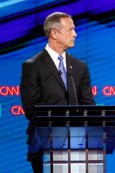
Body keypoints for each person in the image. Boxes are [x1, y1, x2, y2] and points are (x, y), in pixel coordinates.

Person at [20, 12, 95, 173]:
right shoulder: (32, 66)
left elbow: (88, 105)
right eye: (70, 30)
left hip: (76, 147)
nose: (75, 34)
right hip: (46, 145)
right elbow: (31, 110)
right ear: (54, 33)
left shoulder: (80, 67)